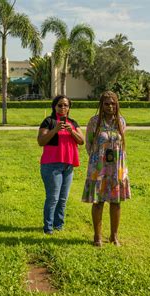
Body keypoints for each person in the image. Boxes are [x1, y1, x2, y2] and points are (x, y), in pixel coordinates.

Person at [82, 91, 131, 247]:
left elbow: (122, 144)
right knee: (98, 202)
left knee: (116, 202)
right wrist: (98, 159)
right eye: (107, 103)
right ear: (101, 105)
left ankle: (113, 236)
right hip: (99, 168)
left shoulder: (121, 121)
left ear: (117, 104)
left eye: (113, 103)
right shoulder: (94, 121)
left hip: (117, 168)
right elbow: (88, 144)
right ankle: (97, 236)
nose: (110, 106)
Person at [37, 95, 84, 235]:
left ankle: (59, 225)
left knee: (63, 199)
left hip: (68, 166)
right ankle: (48, 228)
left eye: (66, 105)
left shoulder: (73, 123)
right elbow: (41, 141)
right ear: (54, 106)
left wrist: (71, 131)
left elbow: (81, 141)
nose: (63, 108)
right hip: (51, 165)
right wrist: (56, 130)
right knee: (53, 198)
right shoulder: (49, 121)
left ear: (69, 107)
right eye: (60, 105)